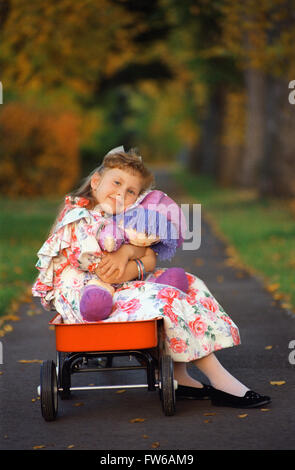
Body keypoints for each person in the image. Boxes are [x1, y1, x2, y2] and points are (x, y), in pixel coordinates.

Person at [32, 146, 271, 409]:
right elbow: (108, 272)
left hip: (119, 286)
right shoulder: (79, 219)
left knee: (190, 284)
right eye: (116, 183)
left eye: (131, 191)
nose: (121, 194)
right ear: (96, 182)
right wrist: (131, 256)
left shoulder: (123, 221)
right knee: (167, 298)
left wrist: (127, 251)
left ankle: (180, 375)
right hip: (88, 299)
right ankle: (222, 382)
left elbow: (149, 258)